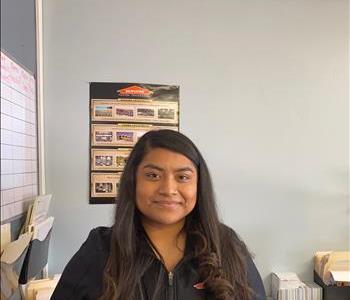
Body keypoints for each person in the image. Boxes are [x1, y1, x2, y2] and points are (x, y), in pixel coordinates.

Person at [51, 129, 266, 300]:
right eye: (153, 175)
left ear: (198, 186)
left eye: (182, 177)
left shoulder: (226, 245)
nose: (168, 189)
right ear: (133, 181)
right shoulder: (100, 248)